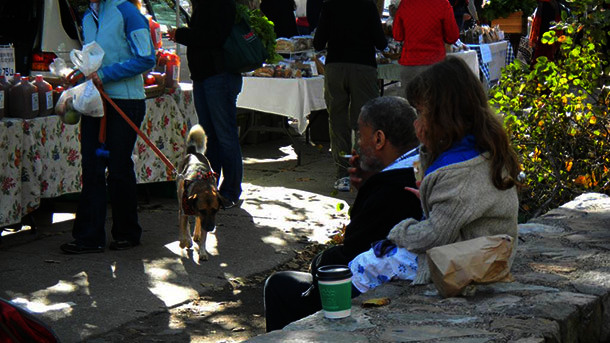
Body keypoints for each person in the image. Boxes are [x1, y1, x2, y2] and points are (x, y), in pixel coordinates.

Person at [349, 56, 521, 292]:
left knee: (363, 265)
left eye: (420, 113)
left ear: (442, 117)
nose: (416, 122)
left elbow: (434, 235)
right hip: (480, 251)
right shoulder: (478, 148)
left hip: (468, 261)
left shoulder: (457, 170)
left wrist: (400, 232)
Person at [264, 96, 423, 332]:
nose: (358, 144)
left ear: (379, 139)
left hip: (371, 288)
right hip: (395, 274)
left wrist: (319, 261)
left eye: (361, 135)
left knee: (279, 285)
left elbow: (352, 252)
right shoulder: (420, 168)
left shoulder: (390, 187)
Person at [60, 0, 156, 253]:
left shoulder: (128, 12)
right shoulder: (88, 17)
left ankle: (127, 232)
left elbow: (146, 59)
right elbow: (93, 60)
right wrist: (77, 74)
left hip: (125, 102)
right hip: (95, 101)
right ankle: (88, 237)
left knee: (118, 168)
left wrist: (105, 75)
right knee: (91, 168)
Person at [168, 0, 244, 209]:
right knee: (211, 137)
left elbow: (215, 37)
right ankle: (212, 188)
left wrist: (182, 34)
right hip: (204, 76)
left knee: (225, 135)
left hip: (218, 76)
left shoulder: (220, 4)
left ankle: (230, 191)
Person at [313, 0, 387, 192]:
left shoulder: (330, 5)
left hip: (336, 65)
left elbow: (318, 42)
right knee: (365, 120)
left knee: (337, 120)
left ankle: (342, 173)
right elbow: (381, 42)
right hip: (363, 65)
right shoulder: (368, 6)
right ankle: (362, 170)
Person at [392, 0, 459, 94]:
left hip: (410, 63)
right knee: (436, 104)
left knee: (410, 105)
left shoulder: (405, 3)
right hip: (435, 64)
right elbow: (452, 36)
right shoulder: (443, 3)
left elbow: (397, 35)